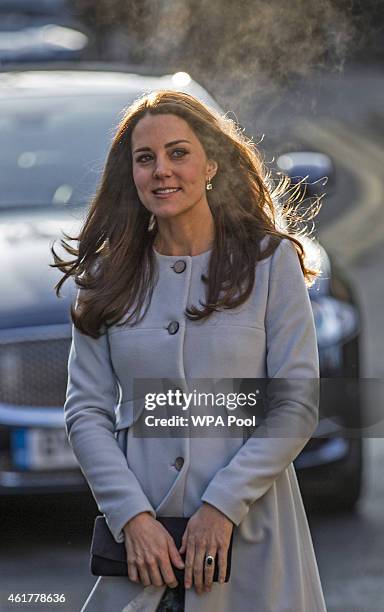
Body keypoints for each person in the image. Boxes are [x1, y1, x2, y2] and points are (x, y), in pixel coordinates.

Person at [52, 90, 327, 611]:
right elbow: (84, 411)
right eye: (145, 158)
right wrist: (131, 517)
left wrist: (221, 507)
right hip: (143, 551)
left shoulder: (269, 263)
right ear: (129, 175)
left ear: (211, 164)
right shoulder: (105, 279)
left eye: (178, 152)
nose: (162, 170)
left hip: (253, 538)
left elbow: (296, 404)